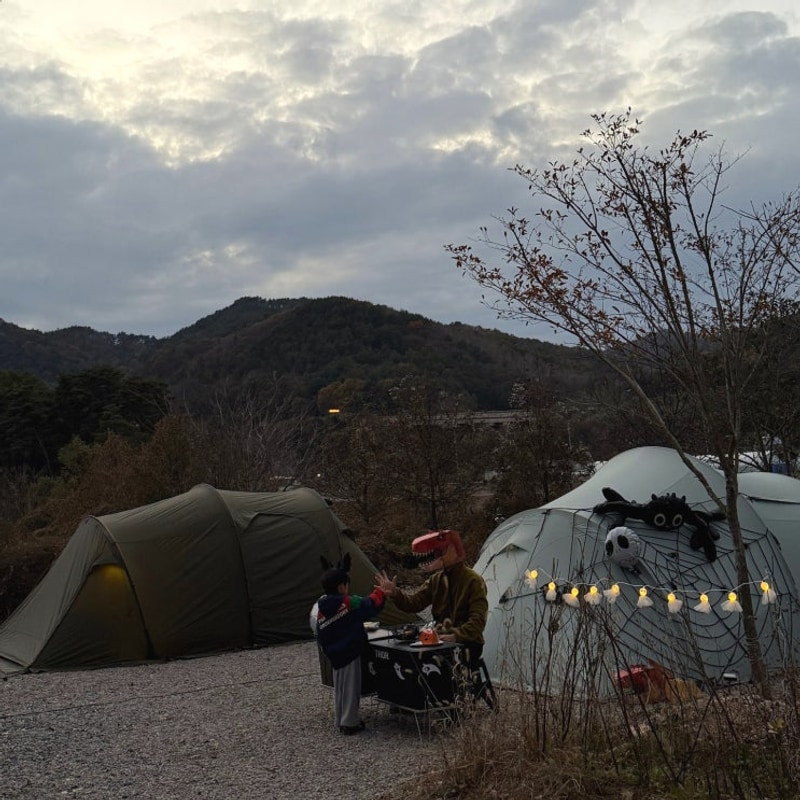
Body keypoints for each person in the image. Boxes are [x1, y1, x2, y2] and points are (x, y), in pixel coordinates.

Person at [375, 529, 488, 669]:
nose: (436, 555)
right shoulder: (436, 580)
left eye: (440, 552)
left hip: (468, 643)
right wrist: (395, 594)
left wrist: (456, 635)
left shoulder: (473, 580)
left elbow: (478, 620)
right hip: (440, 641)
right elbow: (415, 603)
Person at [315, 554, 385, 735]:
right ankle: (350, 722)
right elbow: (367, 605)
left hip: (334, 654)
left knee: (340, 686)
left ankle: (341, 718)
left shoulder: (321, 608)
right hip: (350, 651)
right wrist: (381, 591)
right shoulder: (347, 603)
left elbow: (320, 633)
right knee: (352, 687)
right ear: (341, 587)